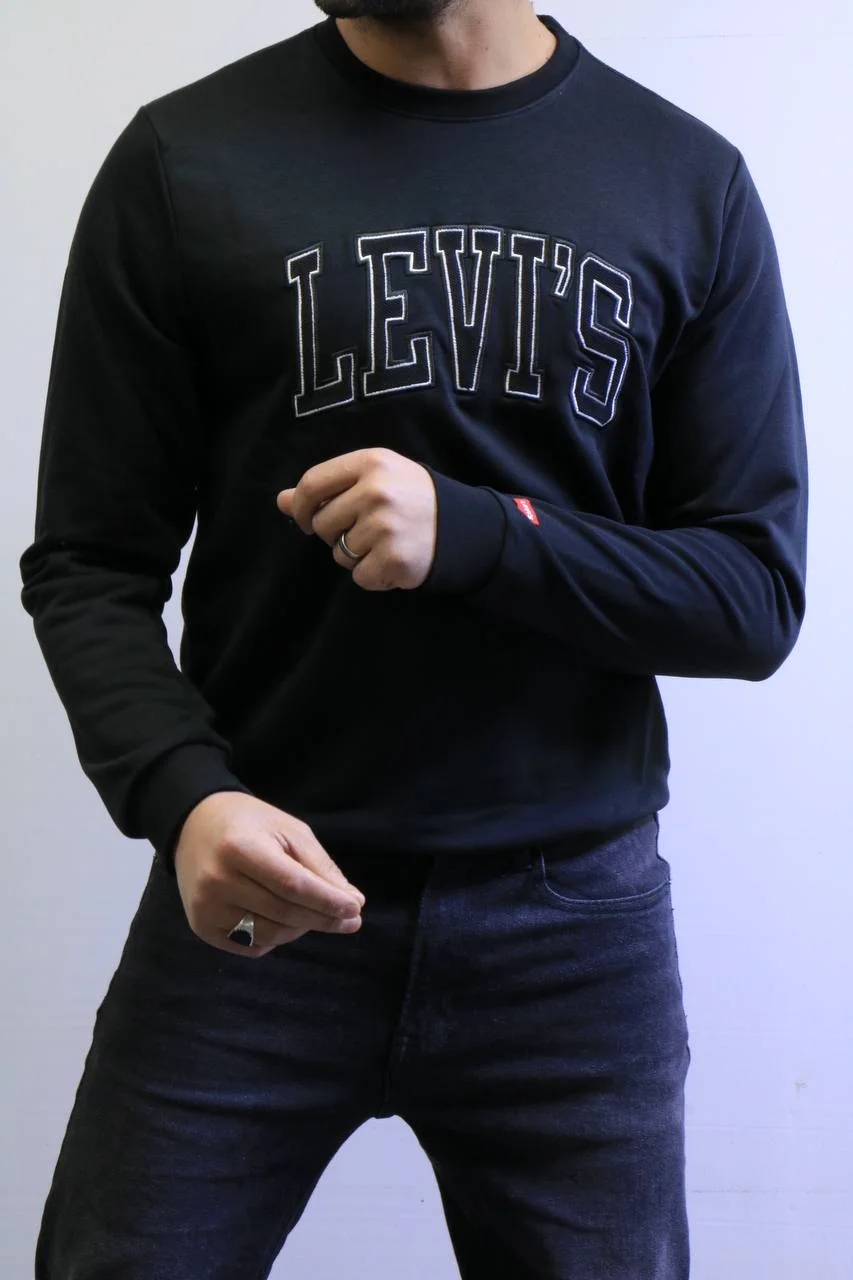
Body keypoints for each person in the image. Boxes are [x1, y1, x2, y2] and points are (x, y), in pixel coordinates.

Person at [19, 0, 808, 1275]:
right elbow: (89, 563)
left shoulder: (685, 181)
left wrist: (482, 534)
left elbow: (750, 591)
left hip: (570, 937)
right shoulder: (182, 160)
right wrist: (184, 798)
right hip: (254, 904)